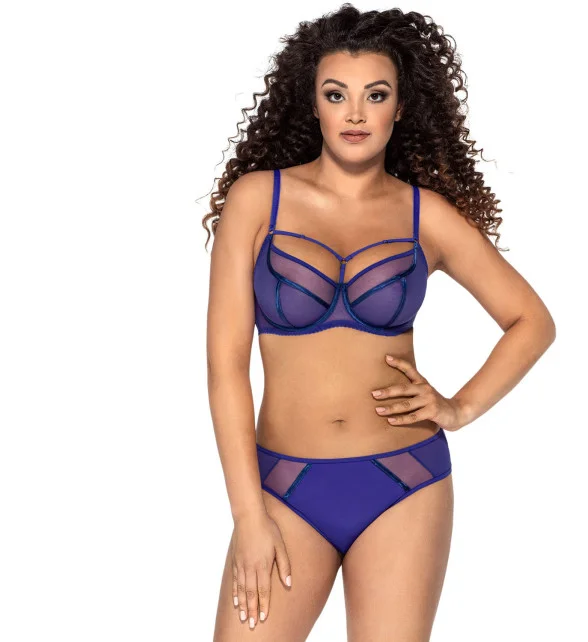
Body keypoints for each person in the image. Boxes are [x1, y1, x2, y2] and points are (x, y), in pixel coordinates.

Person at [202, 5, 555, 641]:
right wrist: (249, 516)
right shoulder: (258, 200)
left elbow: (531, 320)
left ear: (400, 107)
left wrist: (459, 408)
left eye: (376, 95)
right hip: (283, 486)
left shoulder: (426, 215)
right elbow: (225, 367)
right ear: (313, 104)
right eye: (337, 94)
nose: (356, 114)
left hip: (405, 481)